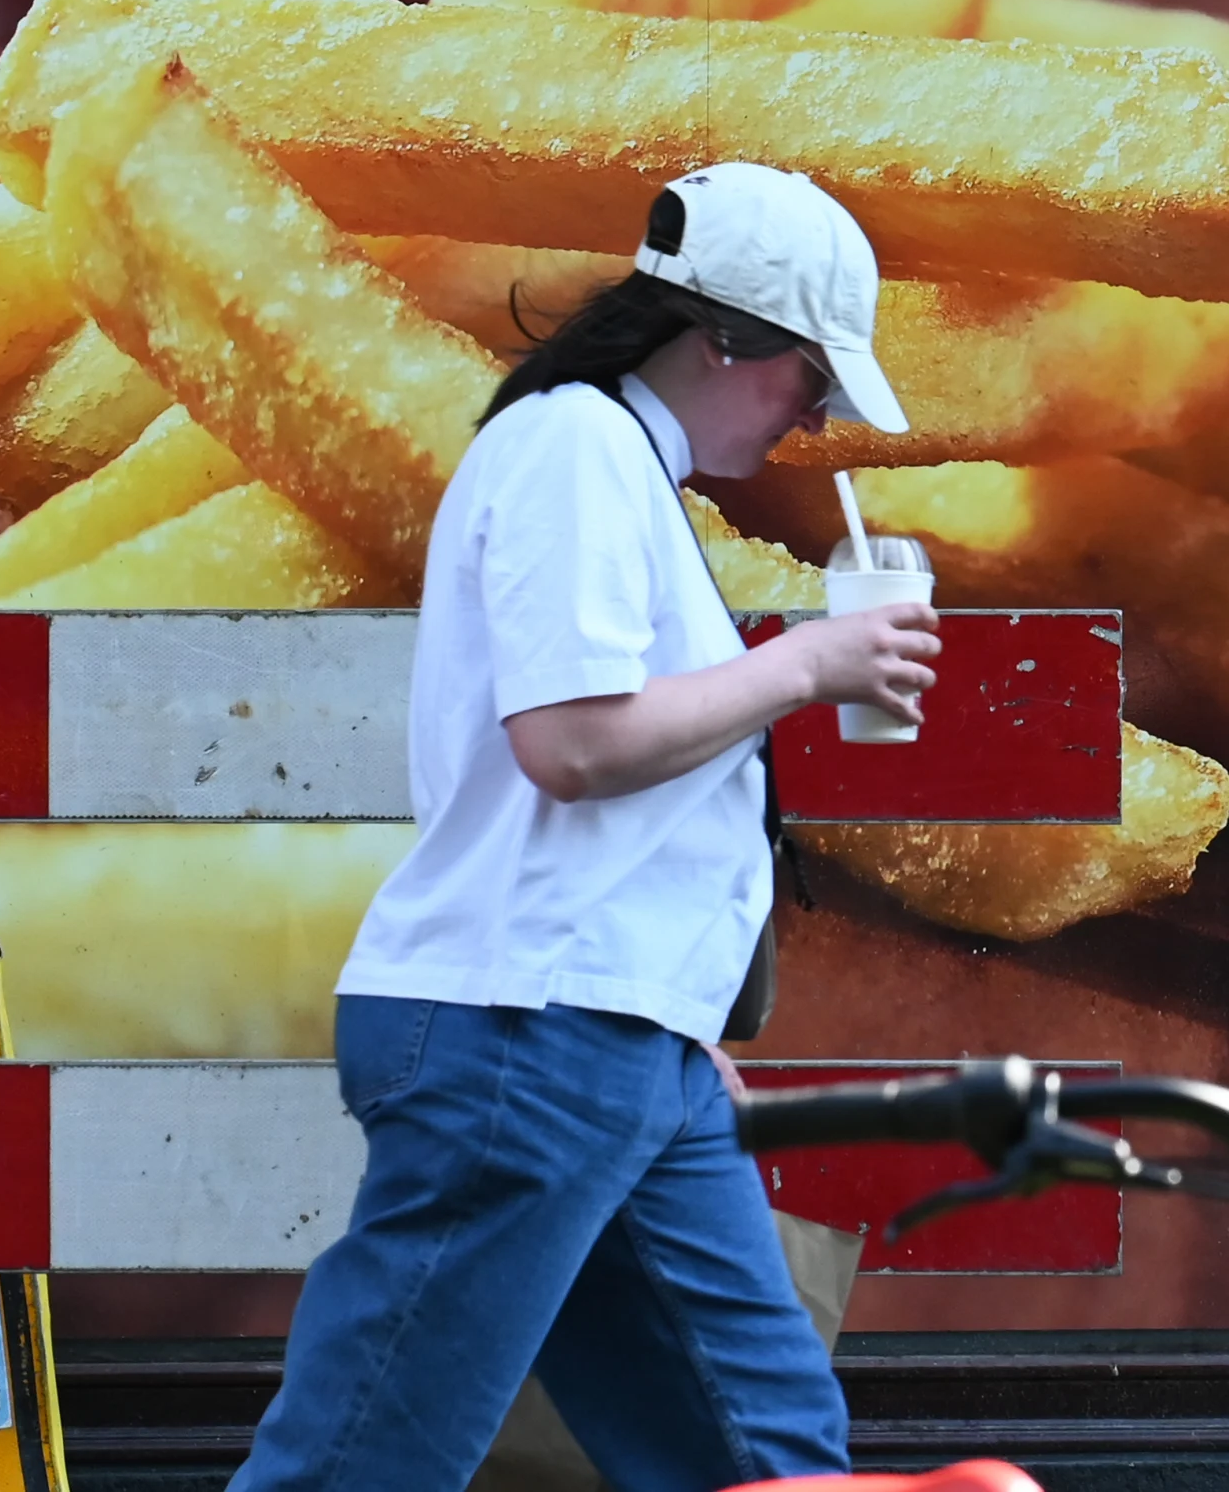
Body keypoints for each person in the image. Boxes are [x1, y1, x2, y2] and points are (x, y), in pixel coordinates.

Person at [228, 163, 941, 1492]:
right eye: (809, 379)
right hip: (530, 1031)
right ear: (727, 335)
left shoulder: (606, 462)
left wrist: (670, 1021)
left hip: (600, 1035)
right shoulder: (575, 448)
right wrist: (808, 664)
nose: (811, 423)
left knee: (770, 1456)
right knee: (362, 1463)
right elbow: (572, 742)